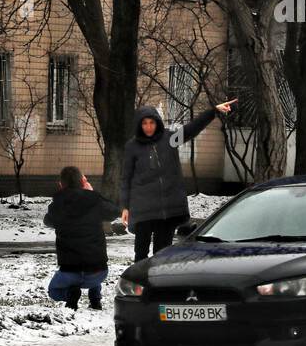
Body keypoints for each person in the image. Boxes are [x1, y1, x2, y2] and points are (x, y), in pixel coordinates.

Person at [121, 98, 235, 261]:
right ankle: (139, 284)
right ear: (139, 125)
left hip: (167, 209)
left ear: (157, 123)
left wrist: (213, 111)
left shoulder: (169, 139)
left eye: (151, 123)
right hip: (143, 209)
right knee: (141, 254)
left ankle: (159, 284)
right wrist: (125, 206)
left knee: (162, 254)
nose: (148, 127)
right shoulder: (133, 146)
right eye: (144, 123)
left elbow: (191, 129)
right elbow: (126, 177)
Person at [43, 165, 118, 311]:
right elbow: (115, 211)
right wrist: (92, 193)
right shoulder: (95, 200)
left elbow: (48, 221)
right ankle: (95, 300)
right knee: (91, 254)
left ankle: (70, 294)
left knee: (53, 291)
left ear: (61, 184)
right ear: (83, 182)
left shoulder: (58, 205)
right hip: (98, 272)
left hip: (70, 272)